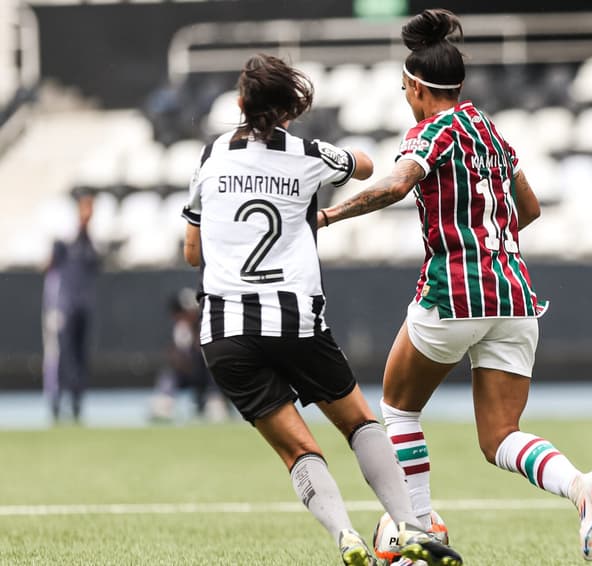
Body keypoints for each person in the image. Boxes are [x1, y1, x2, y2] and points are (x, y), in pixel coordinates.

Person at [318, 9, 592, 562]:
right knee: (500, 436)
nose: (405, 96)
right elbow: (529, 208)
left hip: (454, 293)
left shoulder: (431, 131)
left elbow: (398, 183)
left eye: (405, 88)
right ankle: (580, 486)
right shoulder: (488, 128)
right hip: (516, 295)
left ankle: (418, 530)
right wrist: (487, 234)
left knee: (399, 409)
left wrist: (330, 218)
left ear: (420, 89)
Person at [181, 53, 461, 566]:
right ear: (288, 108)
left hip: (225, 331)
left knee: (298, 451)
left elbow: (192, 253)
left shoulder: (211, 155)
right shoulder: (307, 153)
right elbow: (366, 166)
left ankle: (346, 538)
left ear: (241, 103)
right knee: (358, 422)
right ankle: (411, 525)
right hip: (295, 320)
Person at [42, 188, 99, 423]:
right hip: (64, 305)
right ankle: (56, 401)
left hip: (83, 305)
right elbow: (49, 267)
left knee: (80, 354)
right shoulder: (65, 239)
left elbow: (96, 266)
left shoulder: (90, 241)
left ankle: (76, 403)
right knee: (60, 353)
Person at [149, 288, 229, 423]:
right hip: (191, 372)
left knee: (215, 365)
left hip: (214, 376)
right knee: (169, 374)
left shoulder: (210, 324)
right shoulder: (180, 330)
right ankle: (164, 403)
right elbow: (176, 359)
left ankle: (215, 402)